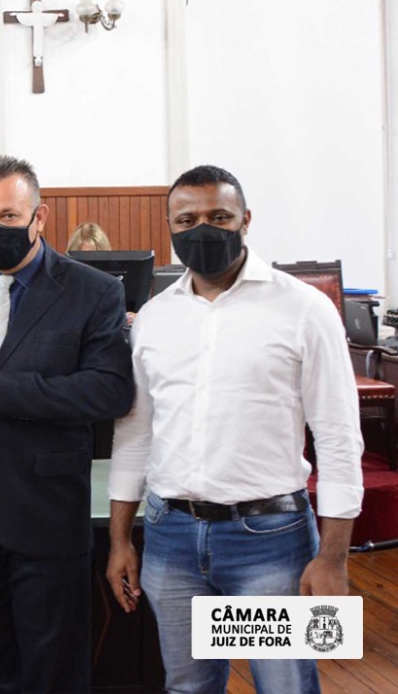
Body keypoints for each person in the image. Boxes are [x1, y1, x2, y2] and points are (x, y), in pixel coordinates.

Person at [106, 165, 364, 694]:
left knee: (284, 685)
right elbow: (135, 436)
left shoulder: (304, 309)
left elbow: (339, 438)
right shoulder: (154, 318)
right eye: (187, 219)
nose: (204, 228)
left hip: (269, 543)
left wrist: (334, 557)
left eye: (219, 216)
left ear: (246, 220)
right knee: (188, 686)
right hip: (171, 538)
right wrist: (119, 541)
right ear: (171, 229)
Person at [0, 155, 134, 693]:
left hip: (46, 514)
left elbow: (109, 390)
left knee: (54, 668)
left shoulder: (92, 290)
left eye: (9, 216)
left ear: (40, 217)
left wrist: (2, 385)